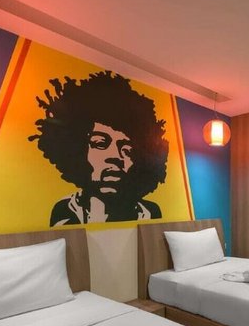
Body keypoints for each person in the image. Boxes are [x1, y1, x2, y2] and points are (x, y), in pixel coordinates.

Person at [29, 71, 169, 226]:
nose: (115, 156)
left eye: (127, 150)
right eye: (100, 143)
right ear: (78, 150)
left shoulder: (150, 212)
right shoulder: (66, 212)